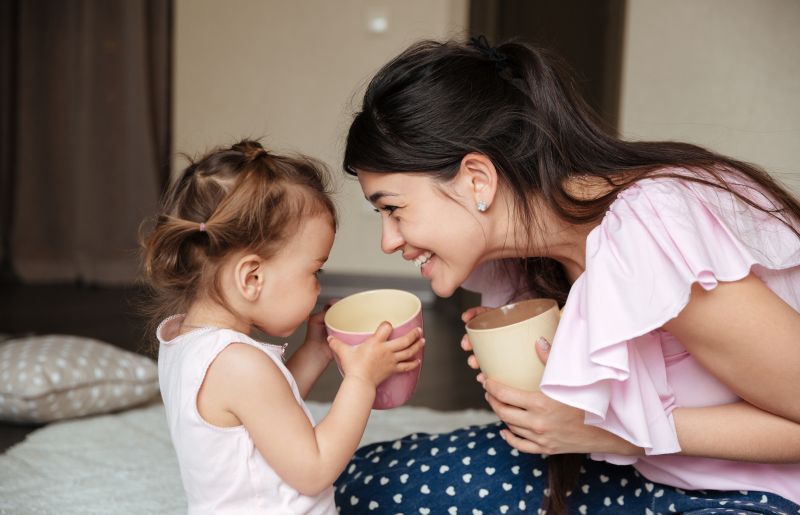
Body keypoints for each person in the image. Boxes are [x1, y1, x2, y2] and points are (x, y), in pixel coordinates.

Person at [333, 37, 800, 514]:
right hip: (641, 472)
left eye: (393, 208)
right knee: (355, 484)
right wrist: (546, 379)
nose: (388, 241)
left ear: (477, 179)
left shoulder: (655, 229)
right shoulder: (534, 251)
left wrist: (610, 429)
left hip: (754, 494)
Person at [140, 140, 424, 514]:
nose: (319, 286)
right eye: (314, 271)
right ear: (252, 277)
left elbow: (267, 415)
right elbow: (314, 469)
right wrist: (361, 381)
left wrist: (315, 351)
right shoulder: (239, 363)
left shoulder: (185, 341)